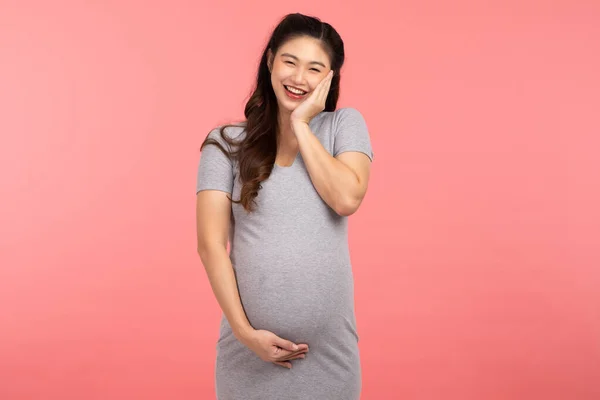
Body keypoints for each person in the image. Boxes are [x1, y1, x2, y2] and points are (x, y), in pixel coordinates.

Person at [195, 12, 374, 400]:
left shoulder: (344, 126)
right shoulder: (226, 143)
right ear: (270, 60)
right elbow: (210, 246)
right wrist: (246, 335)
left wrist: (302, 125)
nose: (298, 78)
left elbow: (346, 199)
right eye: (290, 61)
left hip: (330, 358)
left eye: (314, 68)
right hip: (247, 355)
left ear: (330, 78)